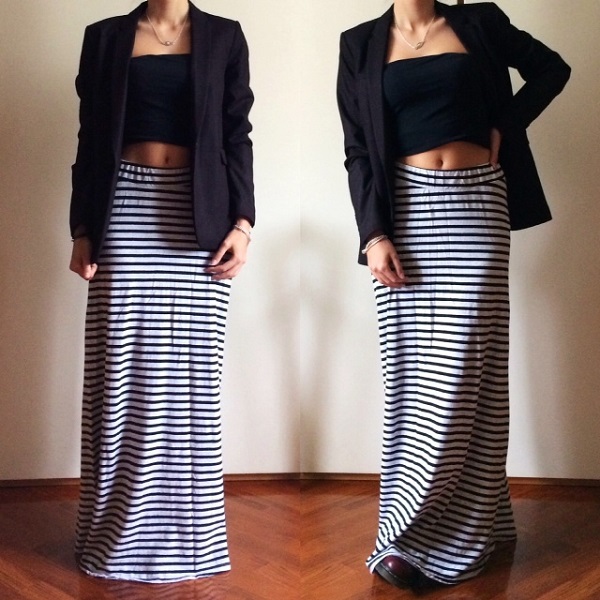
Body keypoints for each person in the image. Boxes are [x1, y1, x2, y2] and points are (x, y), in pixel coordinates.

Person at [337, 0, 569, 589]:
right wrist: (373, 234)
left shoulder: (479, 22)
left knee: (467, 370)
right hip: (404, 216)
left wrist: (504, 125)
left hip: (476, 205)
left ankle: (441, 533)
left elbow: (552, 69)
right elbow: (358, 148)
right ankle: (430, 528)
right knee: (413, 378)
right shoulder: (358, 43)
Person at [68, 0, 254, 583]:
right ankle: (114, 540)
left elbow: (237, 133)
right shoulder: (104, 37)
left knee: (189, 382)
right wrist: (82, 228)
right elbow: (89, 138)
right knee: (121, 373)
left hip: (200, 218)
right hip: (124, 206)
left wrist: (244, 223)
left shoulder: (225, 36)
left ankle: (189, 543)